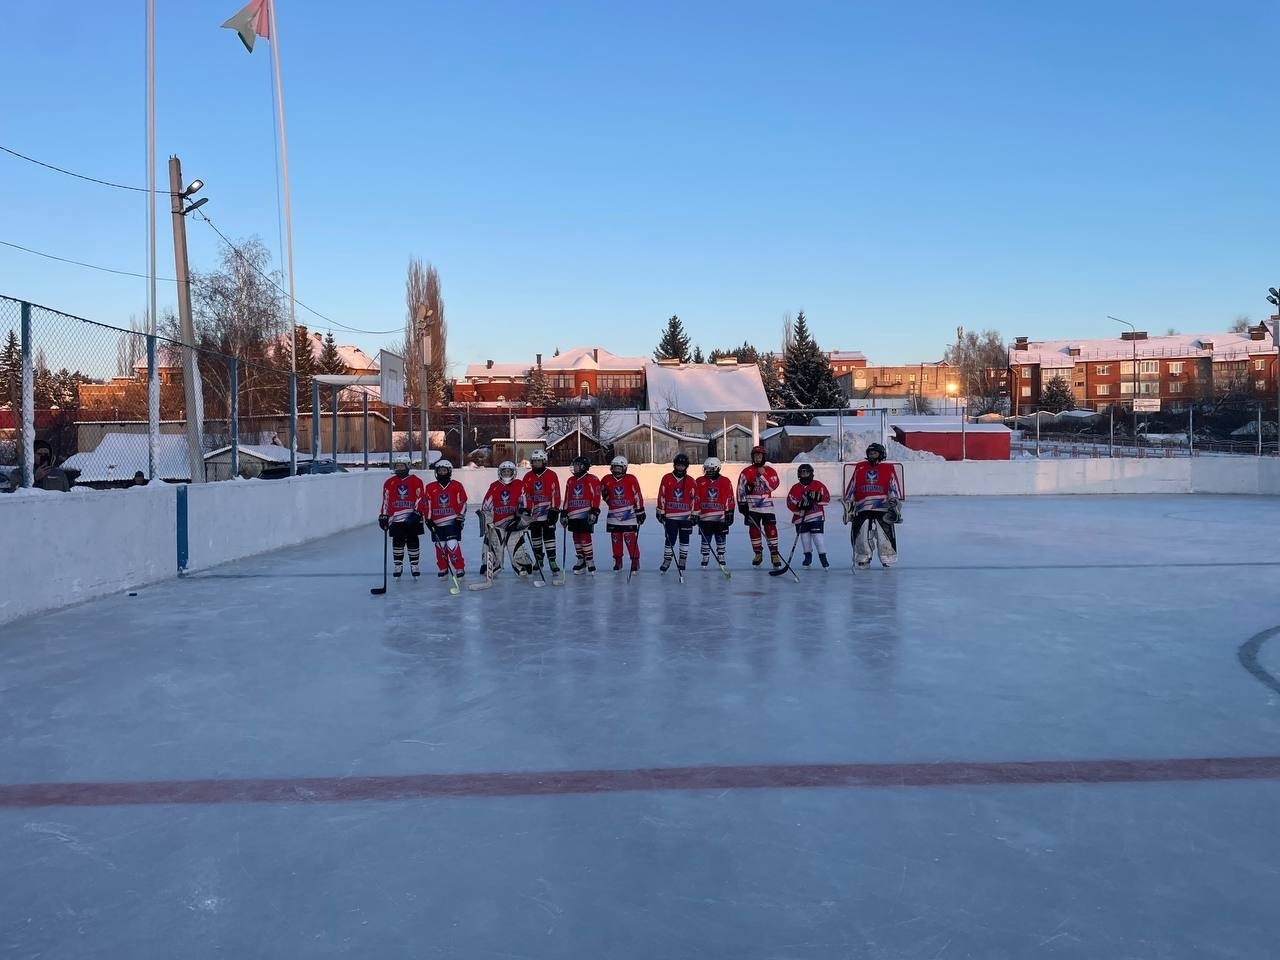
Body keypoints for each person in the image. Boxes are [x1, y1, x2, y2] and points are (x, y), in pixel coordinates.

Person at [842, 442, 902, 569]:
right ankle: (863, 557)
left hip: (883, 506)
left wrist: (894, 501)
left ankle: (888, 557)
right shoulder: (860, 467)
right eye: (870, 453)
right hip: (862, 507)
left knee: (884, 533)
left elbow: (893, 486)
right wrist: (849, 502)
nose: (872, 455)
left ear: (881, 454)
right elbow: (853, 485)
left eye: (874, 453)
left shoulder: (888, 468)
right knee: (861, 533)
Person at [479, 461, 534, 578]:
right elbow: (486, 506)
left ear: (514, 472)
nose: (506, 474)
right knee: (494, 546)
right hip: (497, 524)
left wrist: (521, 518)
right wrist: (487, 521)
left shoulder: (519, 484)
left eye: (509, 471)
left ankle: (521, 565)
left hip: (513, 524)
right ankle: (493, 566)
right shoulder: (494, 486)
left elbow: (526, 503)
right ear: (500, 472)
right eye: (504, 471)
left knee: (516, 547)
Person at [378, 456, 427, 578]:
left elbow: (420, 498)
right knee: (398, 542)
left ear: (408, 466)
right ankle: (398, 565)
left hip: (412, 517)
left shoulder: (416, 481)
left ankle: (414, 565)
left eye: (401, 466)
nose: (399, 468)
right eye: (397, 466)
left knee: (413, 541)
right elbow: (386, 501)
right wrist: (384, 516)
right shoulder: (389, 482)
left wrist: (417, 513)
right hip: (396, 518)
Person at [737, 444, 782, 568]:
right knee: (754, 531)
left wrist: (763, 475)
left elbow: (773, 486)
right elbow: (740, 489)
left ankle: (774, 554)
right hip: (752, 507)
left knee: (771, 529)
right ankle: (758, 553)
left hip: (767, 507)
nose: (757, 458)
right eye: (755, 456)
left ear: (763, 457)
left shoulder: (770, 471)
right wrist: (742, 504)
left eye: (760, 455)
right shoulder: (746, 472)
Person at [422, 459, 468, 578]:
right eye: (440, 471)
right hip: (436, 523)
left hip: (453, 522)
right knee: (440, 545)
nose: (442, 473)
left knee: (452, 544)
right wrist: (428, 520)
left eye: (444, 470)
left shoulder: (456, 485)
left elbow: (463, 503)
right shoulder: (430, 487)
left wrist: (459, 518)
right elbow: (427, 505)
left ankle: (459, 568)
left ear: (449, 471)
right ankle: (443, 567)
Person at [599, 455, 645, 573]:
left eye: (619, 468)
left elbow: (637, 495)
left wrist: (640, 511)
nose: (617, 471)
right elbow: (603, 493)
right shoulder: (606, 479)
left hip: (629, 514)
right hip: (613, 515)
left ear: (625, 468)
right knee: (615, 538)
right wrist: (610, 501)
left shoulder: (631, 479)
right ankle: (618, 561)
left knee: (630, 538)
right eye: (615, 468)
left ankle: (635, 560)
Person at [520, 449, 563, 575]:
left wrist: (554, 509)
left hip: (548, 512)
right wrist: (525, 509)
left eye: (539, 461)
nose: (536, 463)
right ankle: (538, 558)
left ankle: (552, 560)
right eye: (534, 461)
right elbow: (525, 494)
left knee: (549, 537)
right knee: (536, 537)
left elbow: (556, 493)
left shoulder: (551, 474)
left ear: (544, 461)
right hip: (534, 514)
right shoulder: (528, 476)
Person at [656, 453, 698, 574]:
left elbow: (695, 498)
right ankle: (667, 560)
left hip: (686, 516)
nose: (680, 468)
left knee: (684, 538)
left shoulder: (690, 481)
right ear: (674, 465)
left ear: (686, 467)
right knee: (670, 538)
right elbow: (662, 495)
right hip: (671, 516)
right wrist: (661, 511)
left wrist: (695, 514)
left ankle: (682, 559)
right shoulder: (667, 478)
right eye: (678, 465)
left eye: (683, 466)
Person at [560, 455, 602, 575]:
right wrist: (564, 512)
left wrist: (594, 511)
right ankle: (580, 559)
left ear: (584, 467)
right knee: (576, 536)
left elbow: (596, 496)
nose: (574, 468)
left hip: (586, 513)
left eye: (577, 465)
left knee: (585, 536)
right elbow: (567, 497)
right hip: (573, 514)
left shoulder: (592, 479)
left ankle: (589, 560)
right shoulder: (571, 480)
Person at [786, 462, 832, 569]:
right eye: (802, 473)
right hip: (801, 518)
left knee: (818, 538)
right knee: (805, 539)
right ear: (799, 474)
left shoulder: (818, 485)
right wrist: (799, 505)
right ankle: (808, 557)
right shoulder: (795, 488)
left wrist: (818, 497)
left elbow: (827, 498)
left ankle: (823, 557)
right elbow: (790, 502)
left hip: (816, 517)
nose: (804, 475)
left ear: (811, 474)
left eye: (807, 473)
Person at [694, 456, 735, 569]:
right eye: (706, 468)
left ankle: (721, 555)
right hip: (704, 516)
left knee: (720, 536)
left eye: (710, 469)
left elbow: (730, 497)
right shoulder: (699, 481)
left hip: (720, 516)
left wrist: (730, 512)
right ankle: (705, 556)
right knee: (705, 537)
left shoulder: (725, 481)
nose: (707, 471)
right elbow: (695, 498)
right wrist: (695, 512)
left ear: (717, 468)